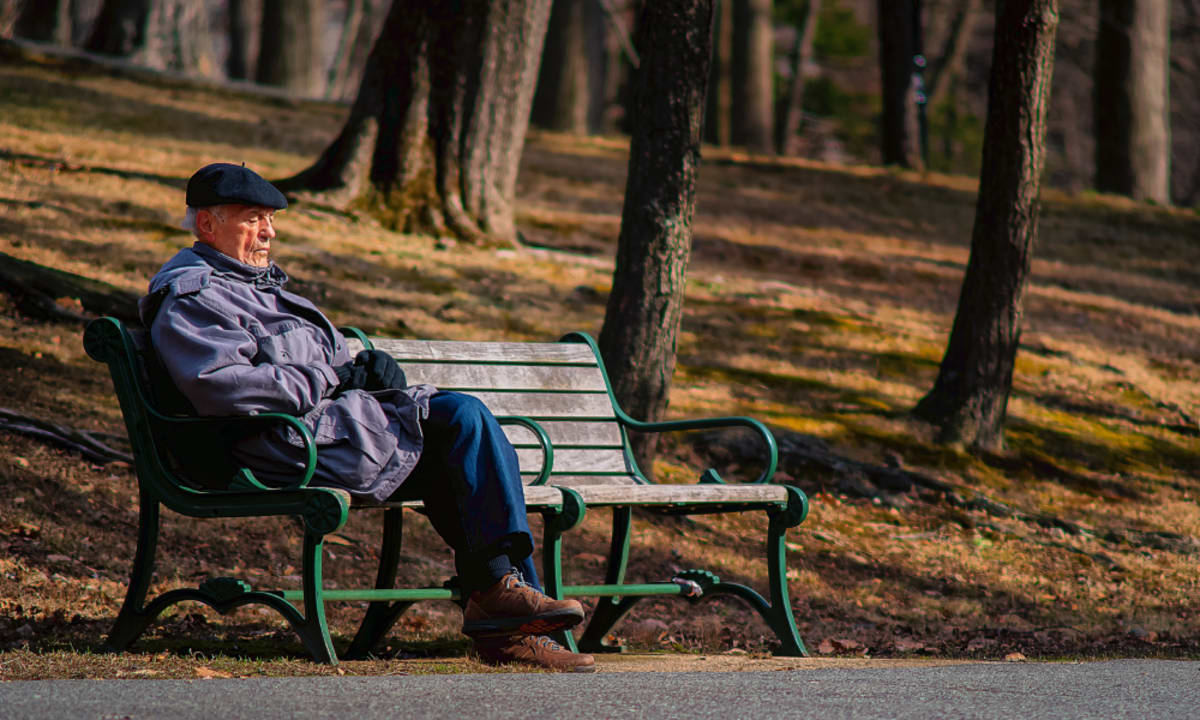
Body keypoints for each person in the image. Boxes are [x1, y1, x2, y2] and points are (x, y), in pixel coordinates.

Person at [139, 163, 595, 672]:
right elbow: (223, 387)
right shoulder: (196, 296)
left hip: (329, 434)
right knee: (460, 423)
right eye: (253, 219)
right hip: (280, 448)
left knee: (466, 429)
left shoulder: (261, 286)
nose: (269, 231)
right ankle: (504, 608)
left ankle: (504, 606)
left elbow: (324, 362)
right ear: (207, 224)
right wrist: (333, 380)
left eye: (270, 219)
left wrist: (368, 370)